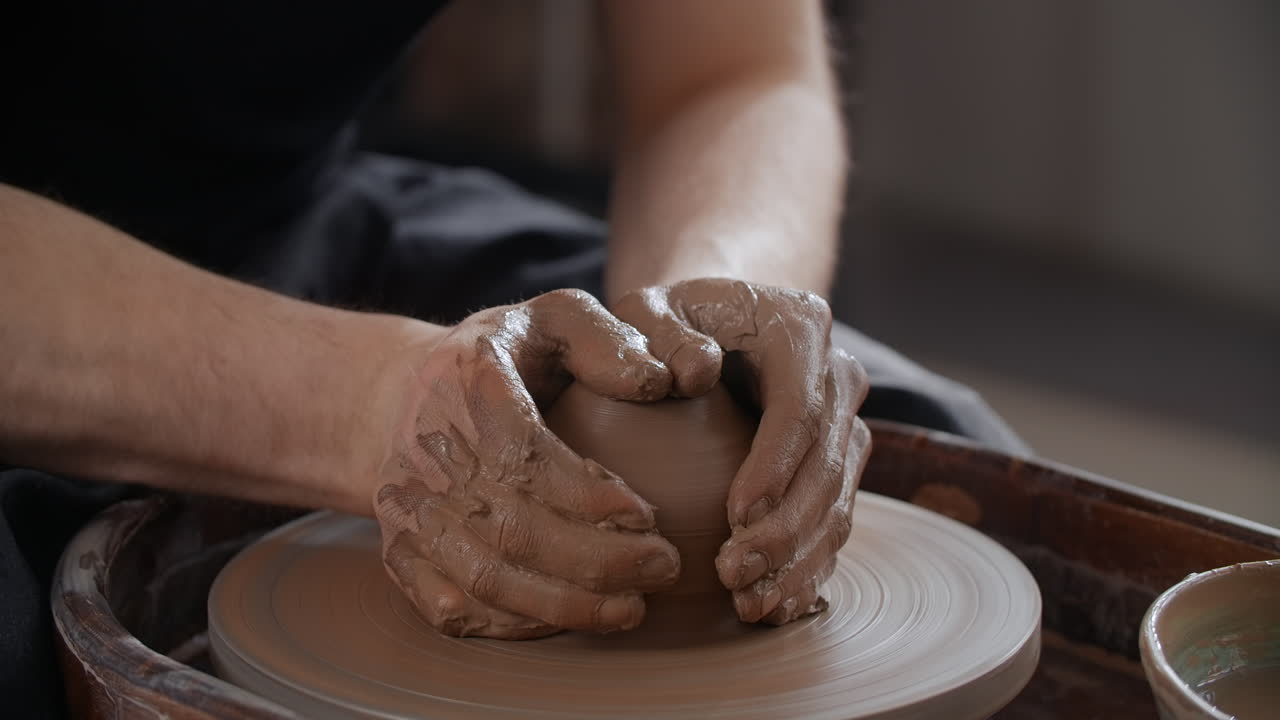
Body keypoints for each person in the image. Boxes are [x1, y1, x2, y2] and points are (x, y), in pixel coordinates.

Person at [0, 1, 1024, 716]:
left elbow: (732, 70)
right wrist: (369, 407)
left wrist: (692, 336)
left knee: (931, 440)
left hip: (294, 213)